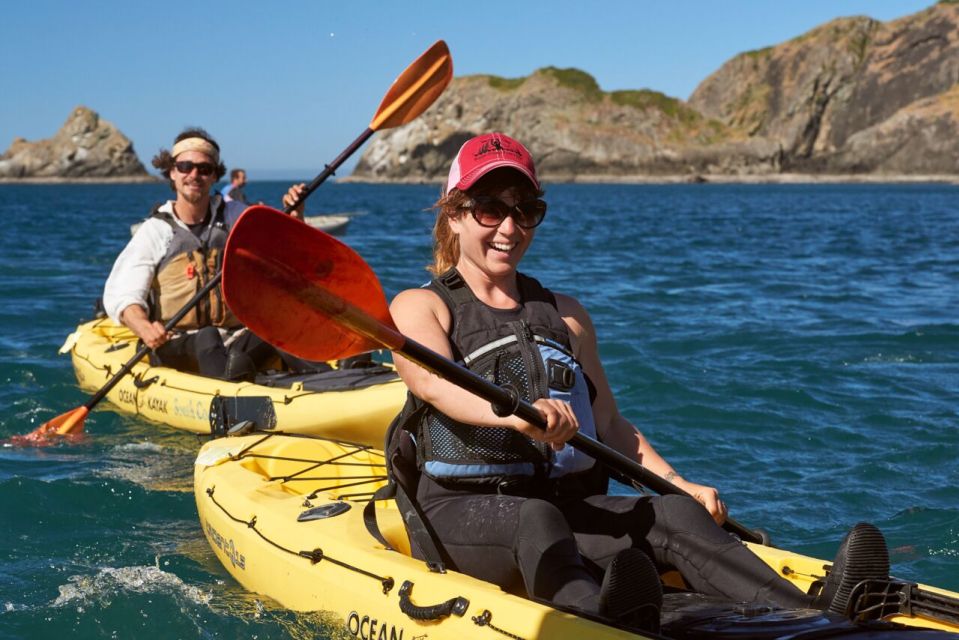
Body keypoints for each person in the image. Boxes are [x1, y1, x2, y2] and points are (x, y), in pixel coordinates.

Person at [388, 133, 889, 631]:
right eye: (490, 209)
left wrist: (678, 484)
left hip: (565, 507)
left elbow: (607, 422)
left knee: (671, 515)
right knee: (536, 520)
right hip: (462, 512)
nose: (510, 228)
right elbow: (435, 386)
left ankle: (818, 617)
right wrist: (522, 415)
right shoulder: (421, 306)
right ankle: (608, 624)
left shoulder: (566, 315)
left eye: (526, 211)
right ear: (454, 214)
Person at [103, 128, 306, 380]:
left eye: (204, 169)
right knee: (207, 336)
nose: (194, 175)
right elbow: (123, 296)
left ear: (214, 176)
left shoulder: (235, 216)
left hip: (234, 338)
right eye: (185, 166)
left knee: (280, 324)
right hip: (176, 344)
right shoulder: (155, 231)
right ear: (172, 172)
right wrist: (144, 327)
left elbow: (283, 258)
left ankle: (336, 382)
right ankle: (227, 402)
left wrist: (296, 219)